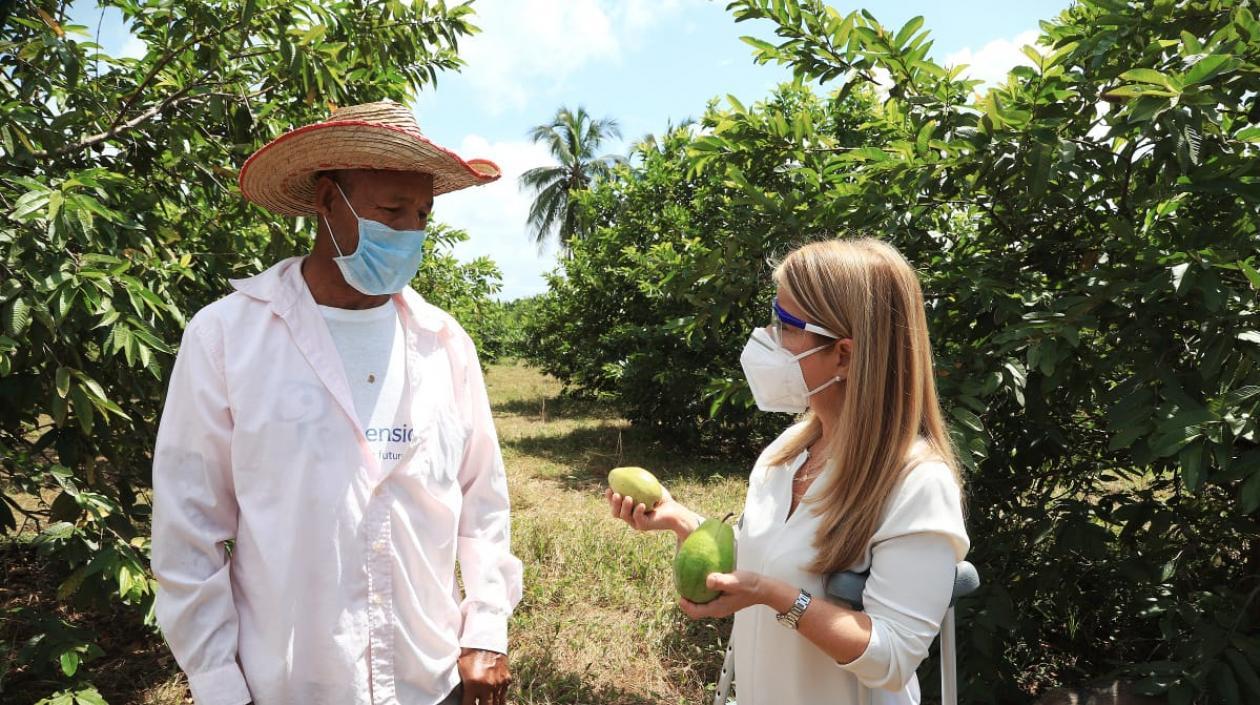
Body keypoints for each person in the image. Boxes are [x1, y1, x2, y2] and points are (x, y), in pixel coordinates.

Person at [152, 100, 522, 705]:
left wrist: (485, 629)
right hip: (289, 685)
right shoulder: (228, 339)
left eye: (422, 214)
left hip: (428, 682)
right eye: (390, 211)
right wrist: (217, 681)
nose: (409, 232)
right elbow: (187, 530)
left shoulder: (444, 344)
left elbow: (483, 503)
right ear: (328, 201)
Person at [607, 238, 969, 704]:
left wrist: (775, 596)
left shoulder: (917, 482)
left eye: (785, 324)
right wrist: (681, 521)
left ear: (843, 354)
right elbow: (768, 557)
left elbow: (893, 656)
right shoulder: (787, 452)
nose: (766, 336)